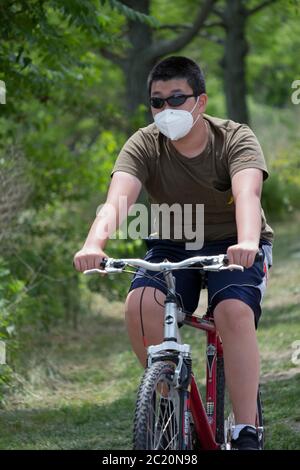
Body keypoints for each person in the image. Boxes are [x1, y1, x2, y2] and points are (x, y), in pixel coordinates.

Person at [73, 56, 273, 450]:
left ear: (200, 101)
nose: (166, 110)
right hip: (171, 242)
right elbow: (117, 201)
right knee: (141, 303)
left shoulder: (234, 137)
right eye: (157, 101)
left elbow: (247, 194)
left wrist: (248, 242)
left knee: (233, 311)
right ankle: (167, 407)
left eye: (176, 99)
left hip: (234, 241)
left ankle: (245, 428)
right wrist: (94, 243)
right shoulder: (144, 143)